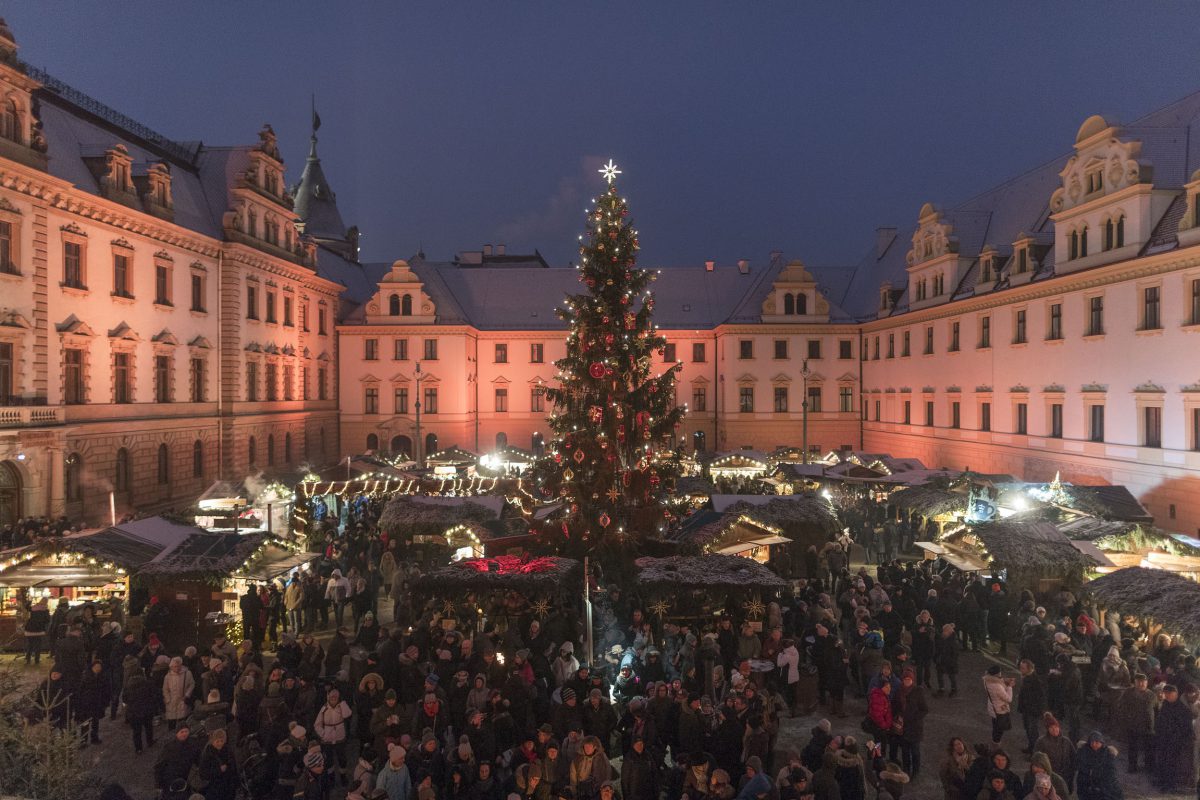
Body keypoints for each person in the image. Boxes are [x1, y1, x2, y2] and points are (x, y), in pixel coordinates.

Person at [1152, 683, 1194, 792]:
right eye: (1165, 693)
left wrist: (1181, 740)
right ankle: (1162, 780)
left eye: (1168, 693)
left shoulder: (1182, 709)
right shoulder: (1165, 704)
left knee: (1171, 764)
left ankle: (1170, 785)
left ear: (1175, 694)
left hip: (1175, 741)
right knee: (1162, 760)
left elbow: (1186, 728)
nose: (1166, 695)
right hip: (1163, 739)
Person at [1111, 671, 1155, 774]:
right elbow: (1120, 706)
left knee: (1147, 748)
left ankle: (1147, 767)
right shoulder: (1128, 693)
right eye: (1139, 682)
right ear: (1135, 682)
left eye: (1144, 682)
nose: (1141, 684)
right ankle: (1132, 766)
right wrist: (1125, 718)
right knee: (1133, 747)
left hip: (1147, 726)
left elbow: (1156, 709)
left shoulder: (1151, 695)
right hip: (1133, 725)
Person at [1074, 731, 1121, 800]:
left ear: (1101, 743)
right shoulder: (1083, 752)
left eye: (1096, 742)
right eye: (1092, 742)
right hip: (1085, 786)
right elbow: (1079, 766)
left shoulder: (1108, 754)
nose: (1094, 744)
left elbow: (1111, 772)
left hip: (1103, 787)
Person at [198, 728, 239, 800]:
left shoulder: (228, 751)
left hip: (228, 788)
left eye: (222, 741)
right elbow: (203, 774)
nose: (220, 743)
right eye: (217, 741)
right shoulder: (207, 754)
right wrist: (218, 770)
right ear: (213, 741)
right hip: (214, 789)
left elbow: (234, 769)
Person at [1015, 659, 1046, 755]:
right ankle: (1031, 748)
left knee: (1032, 731)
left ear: (1029, 668)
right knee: (1028, 729)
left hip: (1032, 710)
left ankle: (1035, 752)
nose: (1021, 670)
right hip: (1027, 709)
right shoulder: (1027, 677)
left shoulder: (1034, 680)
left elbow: (1039, 696)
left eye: (1023, 668)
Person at [983, 665, 1014, 745]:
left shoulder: (987, 680)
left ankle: (994, 740)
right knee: (999, 729)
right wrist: (1010, 687)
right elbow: (1008, 699)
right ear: (997, 674)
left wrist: (1004, 682)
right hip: (999, 709)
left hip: (992, 707)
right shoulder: (996, 686)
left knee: (995, 726)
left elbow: (999, 682)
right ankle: (996, 743)